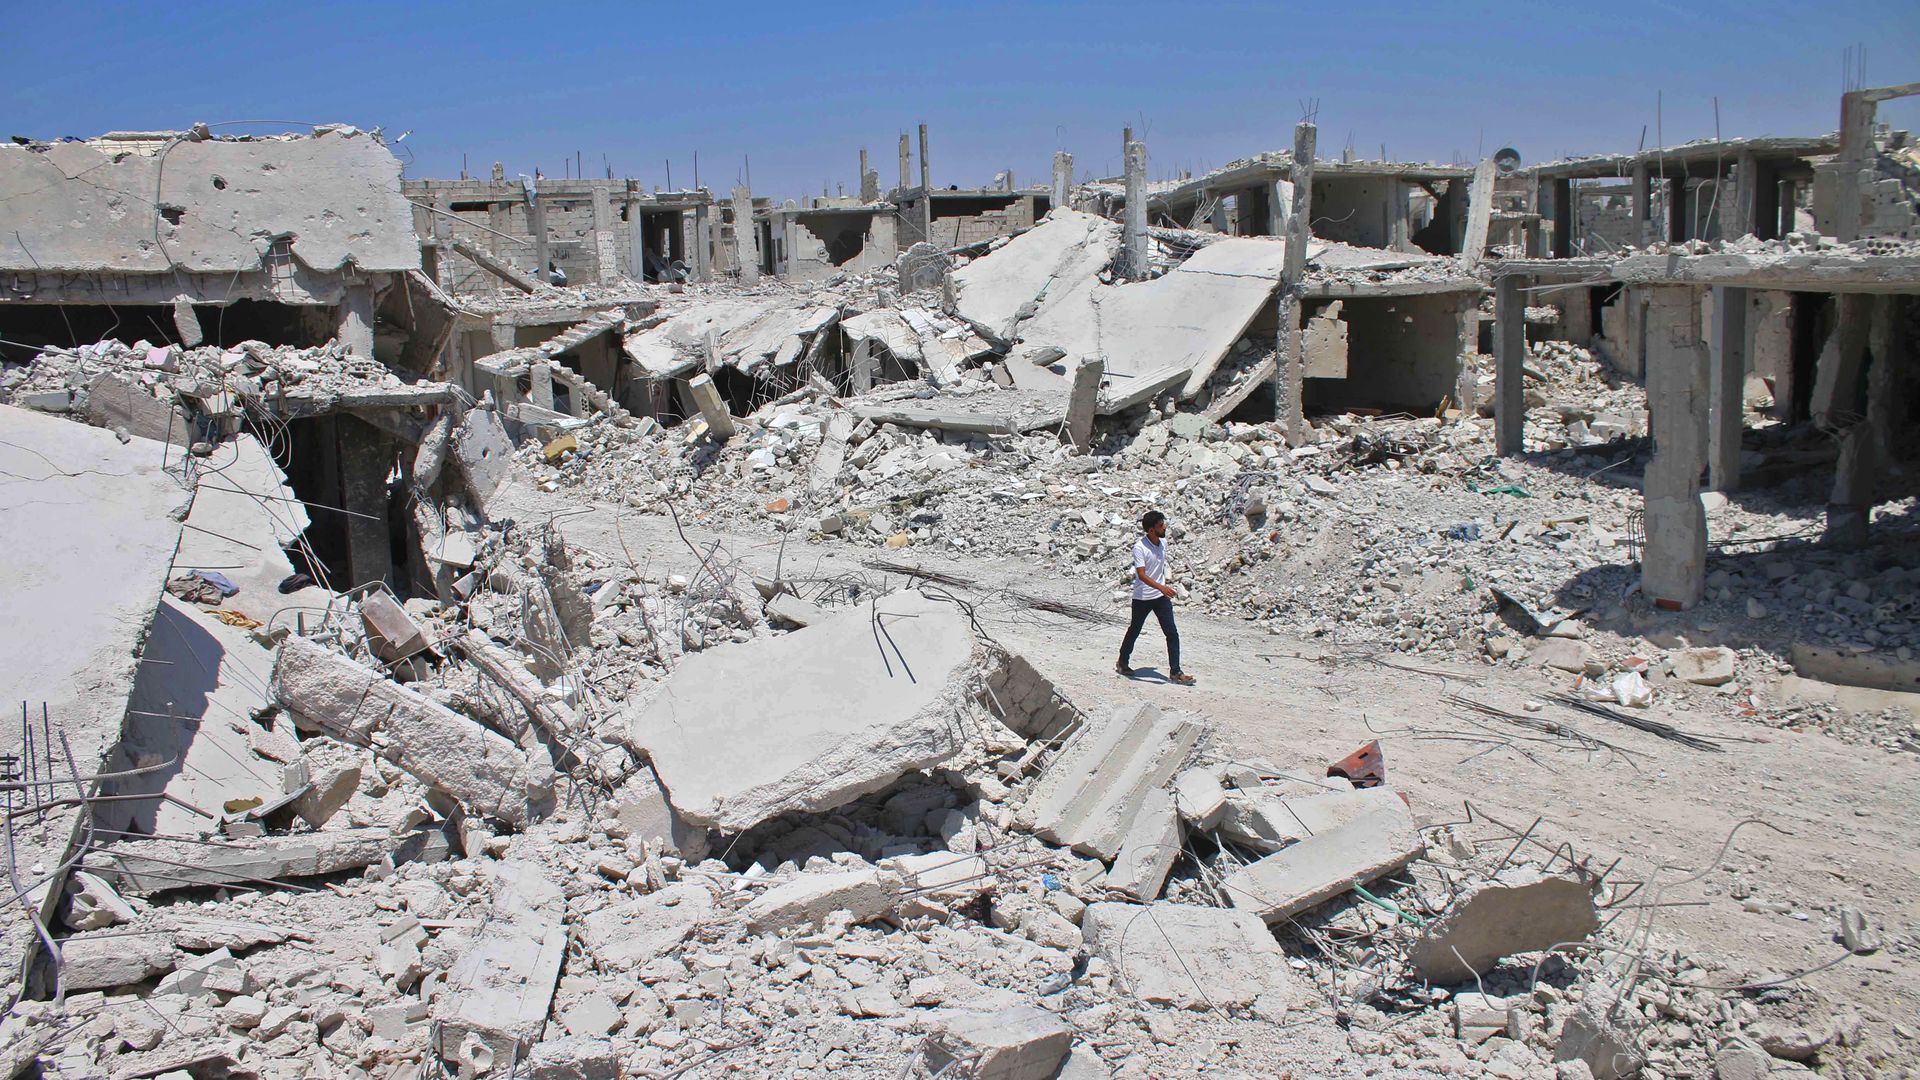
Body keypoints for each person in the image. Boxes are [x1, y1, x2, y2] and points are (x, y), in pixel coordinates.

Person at [1117, 510, 1193, 684]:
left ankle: (1176, 672)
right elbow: (1141, 575)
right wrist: (1162, 587)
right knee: (1134, 630)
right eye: (1160, 525)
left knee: (1172, 633)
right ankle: (1122, 662)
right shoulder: (1139, 547)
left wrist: (1162, 589)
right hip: (1142, 598)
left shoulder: (1163, 543)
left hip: (1160, 597)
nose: (1164, 527)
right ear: (1151, 530)